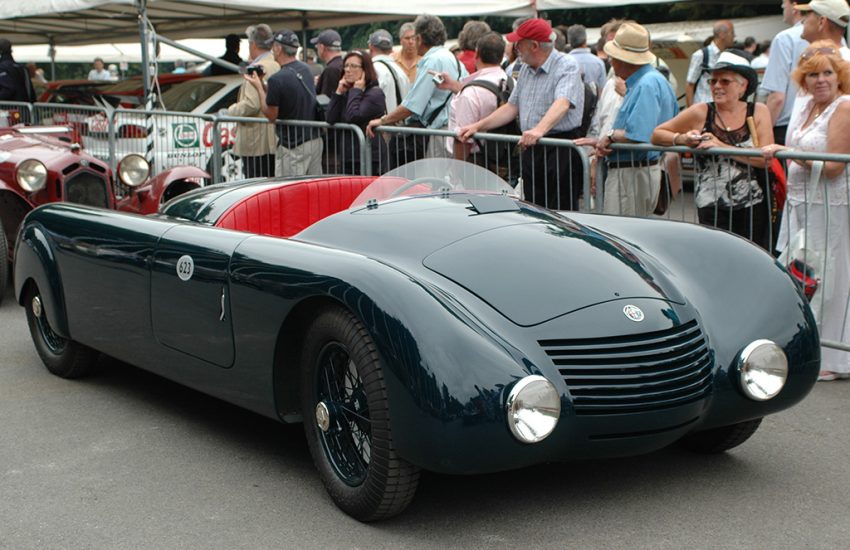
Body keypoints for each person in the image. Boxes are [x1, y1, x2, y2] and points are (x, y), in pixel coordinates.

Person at [761, 42, 850, 380]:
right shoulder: (806, 106)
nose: (821, 80)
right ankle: (807, 347)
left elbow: (833, 168)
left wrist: (788, 152)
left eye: (827, 72)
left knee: (831, 276)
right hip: (801, 203)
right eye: (813, 74)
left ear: (838, 75)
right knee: (804, 274)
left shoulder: (843, 106)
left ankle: (834, 356)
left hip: (830, 205)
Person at [458, 18, 585, 211]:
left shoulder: (566, 65)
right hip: (532, 147)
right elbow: (511, 107)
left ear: (534, 46)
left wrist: (538, 130)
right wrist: (477, 126)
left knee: (561, 211)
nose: (515, 47)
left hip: (559, 148)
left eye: (519, 43)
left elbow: (563, 102)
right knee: (535, 209)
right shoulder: (525, 68)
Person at [653, 50, 773, 248]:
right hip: (711, 206)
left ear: (743, 86)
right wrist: (683, 138)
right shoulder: (701, 111)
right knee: (715, 259)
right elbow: (657, 134)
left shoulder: (758, 111)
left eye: (725, 81)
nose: (716, 86)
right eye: (712, 81)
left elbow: (764, 159)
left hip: (751, 205)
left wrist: (721, 146)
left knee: (751, 258)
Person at [594, 21, 678, 217]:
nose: (610, 62)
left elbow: (639, 133)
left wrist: (611, 135)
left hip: (631, 174)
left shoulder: (646, 85)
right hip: (638, 171)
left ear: (625, 59)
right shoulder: (653, 80)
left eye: (613, 57)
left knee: (620, 235)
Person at [366, 14, 467, 164]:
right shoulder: (451, 57)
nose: (413, 42)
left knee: (435, 181)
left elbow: (413, 105)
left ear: (420, 38)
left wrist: (383, 120)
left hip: (439, 132)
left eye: (414, 37)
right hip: (454, 128)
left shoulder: (432, 60)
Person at [247, 28, 323, 177]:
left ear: (278, 48)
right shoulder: (306, 70)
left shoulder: (277, 79)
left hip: (293, 145)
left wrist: (259, 89)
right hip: (314, 140)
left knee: (291, 191)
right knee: (314, 190)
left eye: (273, 46)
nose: (271, 50)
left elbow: (271, 115)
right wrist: (263, 84)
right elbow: (287, 95)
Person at [436, 32, 508, 161]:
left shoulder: (472, 92)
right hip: (503, 159)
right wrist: (454, 86)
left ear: (477, 53)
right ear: (502, 55)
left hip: (474, 162)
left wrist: (456, 172)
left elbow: (462, 138)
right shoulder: (511, 82)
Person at [224, 23, 280, 179]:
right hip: (271, 139)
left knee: (255, 185)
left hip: (255, 140)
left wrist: (229, 111)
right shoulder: (276, 65)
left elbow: (251, 104)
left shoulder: (256, 68)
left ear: (253, 44)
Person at [326, 50, 387, 175]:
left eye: (353, 66)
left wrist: (356, 91)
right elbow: (330, 118)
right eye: (346, 66)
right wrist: (338, 92)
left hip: (369, 157)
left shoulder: (375, 93)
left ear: (365, 70)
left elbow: (353, 116)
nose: (348, 70)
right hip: (348, 157)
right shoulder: (349, 91)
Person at [763, 0, 809, 145]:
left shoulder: (784, 39)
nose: (782, 7)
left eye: (784, 3)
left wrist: (763, 135)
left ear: (795, 6)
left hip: (786, 128)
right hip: (820, 126)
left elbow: (777, 97)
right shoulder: (836, 41)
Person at [685, 20, 735, 106]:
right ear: (722, 34)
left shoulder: (729, 56)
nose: (734, 36)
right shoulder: (701, 55)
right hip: (703, 108)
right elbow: (690, 84)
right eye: (732, 33)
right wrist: (691, 110)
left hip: (721, 108)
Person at [367, 29, 410, 115]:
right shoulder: (401, 72)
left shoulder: (372, 70)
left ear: (370, 47)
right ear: (391, 50)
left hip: (379, 125)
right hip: (399, 125)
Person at [568, 24, 606, 95]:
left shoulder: (563, 63)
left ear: (569, 42)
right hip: (594, 105)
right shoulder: (598, 62)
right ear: (585, 40)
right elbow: (602, 90)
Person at [312, 29, 344, 97]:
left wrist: (316, 85)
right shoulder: (344, 64)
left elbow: (326, 101)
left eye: (317, 47)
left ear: (322, 47)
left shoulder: (331, 70)